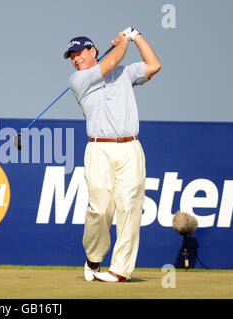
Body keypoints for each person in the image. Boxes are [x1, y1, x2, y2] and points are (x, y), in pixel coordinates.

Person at [64, 27, 161, 282]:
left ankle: (120, 271)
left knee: (130, 207)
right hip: (99, 148)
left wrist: (137, 36)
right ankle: (94, 257)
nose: (75, 59)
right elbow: (112, 60)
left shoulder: (125, 74)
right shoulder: (78, 80)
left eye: (78, 53)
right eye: (71, 56)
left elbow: (154, 65)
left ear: (92, 50)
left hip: (130, 147)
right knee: (100, 208)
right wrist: (122, 42)